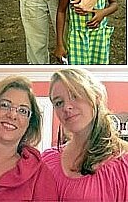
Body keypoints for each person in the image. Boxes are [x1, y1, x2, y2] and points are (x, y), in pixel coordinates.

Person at [0, 76, 58, 201]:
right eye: (5, 105)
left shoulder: (40, 175)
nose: (12, 115)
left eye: (23, 111)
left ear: (30, 123)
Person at [42, 68, 128, 201]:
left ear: (96, 97)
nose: (66, 107)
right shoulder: (46, 160)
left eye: (75, 95)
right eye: (59, 103)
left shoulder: (123, 162)